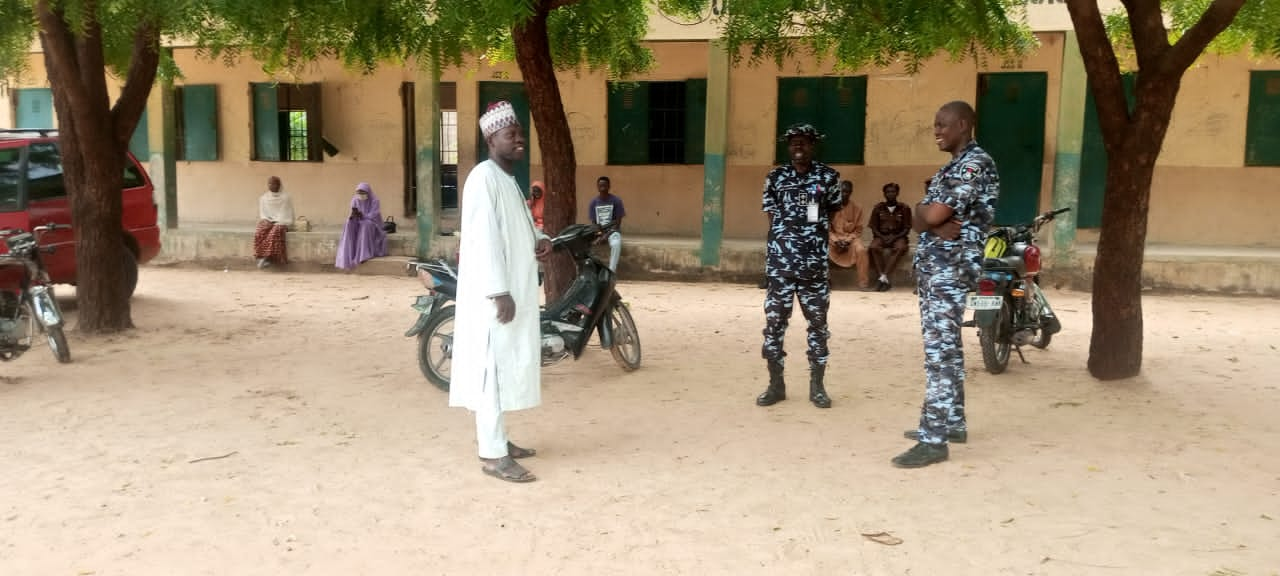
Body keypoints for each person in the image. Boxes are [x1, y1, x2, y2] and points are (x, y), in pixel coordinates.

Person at [449, 101, 553, 483]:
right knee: (491, 370)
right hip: (495, 295)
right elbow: (485, 239)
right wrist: (499, 291)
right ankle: (493, 455)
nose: (520, 140)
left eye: (521, 134)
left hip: (514, 289)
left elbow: (519, 227)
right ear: (492, 139)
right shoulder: (482, 178)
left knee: (503, 366)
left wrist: (542, 241)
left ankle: (500, 440)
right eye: (512, 134)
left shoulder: (507, 179)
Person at [893, 101, 1000, 469]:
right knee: (947, 349)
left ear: (965, 124)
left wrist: (929, 217)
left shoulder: (973, 164)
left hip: (951, 268)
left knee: (939, 353)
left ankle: (934, 440)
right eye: (934, 124)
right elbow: (920, 216)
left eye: (943, 124)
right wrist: (929, 219)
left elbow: (930, 212)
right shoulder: (950, 168)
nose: (936, 130)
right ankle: (953, 423)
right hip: (938, 266)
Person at [756, 123, 844, 409]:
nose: (798, 147)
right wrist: (786, 242)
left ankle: (817, 387)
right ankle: (775, 385)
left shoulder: (828, 177)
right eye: (793, 142)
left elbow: (831, 211)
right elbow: (771, 216)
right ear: (787, 146)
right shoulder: (775, 177)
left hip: (814, 267)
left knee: (818, 326)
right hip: (781, 267)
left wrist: (809, 238)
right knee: (774, 327)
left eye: (804, 142)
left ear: (812, 145)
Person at [868, 182, 913, 291]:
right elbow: (873, 227)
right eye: (888, 192)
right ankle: (883, 278)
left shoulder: (904, 208)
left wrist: (895, 237)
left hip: (898, 236)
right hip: (881, 236)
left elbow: (907, 228)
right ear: (884, 194)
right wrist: (882, 237)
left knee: (900, 248)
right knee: (873, 247)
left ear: (897, 193)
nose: (890, 194)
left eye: (893, 191)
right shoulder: (878, 208)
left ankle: (883, 278)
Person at [334, 182, 389, 270]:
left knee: (365, 225)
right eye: (359, 193)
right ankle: (349, 254)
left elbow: (374, 215)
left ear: (368, 192)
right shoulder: (355, 199)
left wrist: (363, 216)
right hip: (359, 220)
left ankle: (364, 254)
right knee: (348, 223)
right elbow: (352, 211)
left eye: (363, 193)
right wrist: (353, 216)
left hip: (373, 223)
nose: (361, 195)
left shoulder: (375, 200)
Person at [828, 180, 870, 289]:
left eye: (847, 191)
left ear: (851, 192)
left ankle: (863, 282)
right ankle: (825, 280)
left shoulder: (857, 208)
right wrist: (836, 240)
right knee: (820, 248)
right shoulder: (830, 208)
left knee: (861, 250)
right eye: (841, 191)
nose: (844, 194)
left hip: (851, 240)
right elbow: (827, 229)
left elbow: (858, 230)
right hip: (833, 240)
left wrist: (847, 240)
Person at [254, 176, 293, 269]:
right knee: (260, 229)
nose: (272, 185)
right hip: (269, 220)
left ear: (279, 185)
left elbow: (286, 213)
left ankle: (266, 258)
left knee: (275, 231)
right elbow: (263, 213)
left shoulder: (285, 197)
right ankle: (260, 256)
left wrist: (278, 221)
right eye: (270, 183)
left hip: (282, 221)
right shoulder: (263, 198)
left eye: (274, 183)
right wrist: (266, 219)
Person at [588, 176, 625, 272]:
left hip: (613, 232)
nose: (602, 187)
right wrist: (599, 235)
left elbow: (617, 223)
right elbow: (594, 223)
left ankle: (611, 271)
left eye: (605, 185)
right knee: (586, 245)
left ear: (609, 186)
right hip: (599, 232)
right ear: (597, 186)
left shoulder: (616, 201)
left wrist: (606, 236)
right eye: (600, 185)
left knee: (616, 244)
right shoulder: (593, 202)